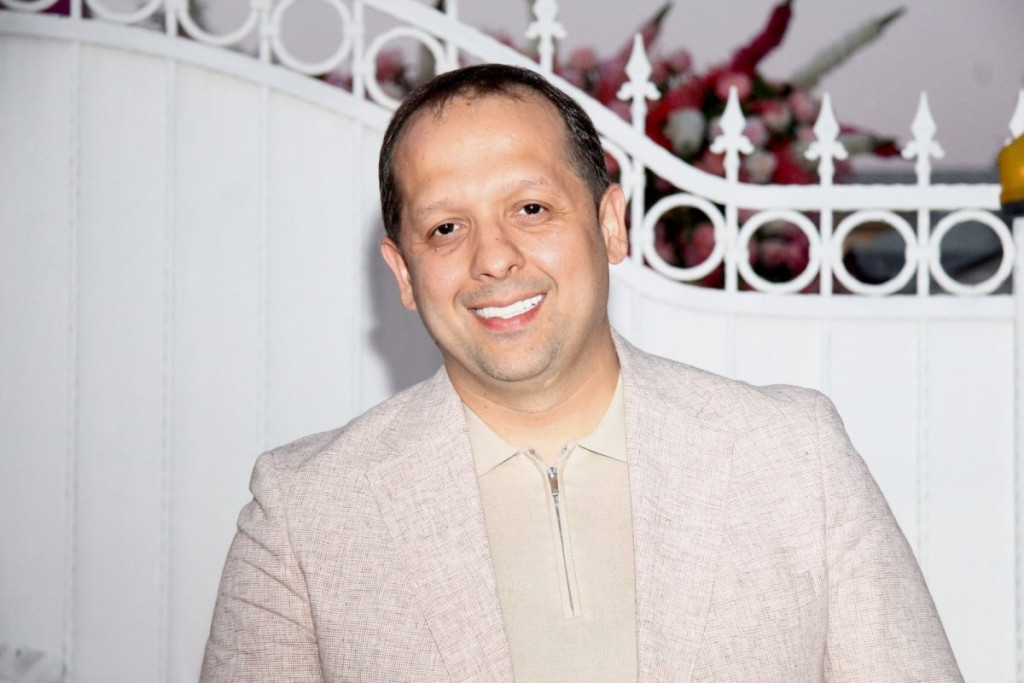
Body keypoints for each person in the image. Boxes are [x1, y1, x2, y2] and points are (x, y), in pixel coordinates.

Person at [201, 64, 962, 682]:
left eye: (531, 209)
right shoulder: (305, 514)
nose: (493, 258)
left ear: (610, 224)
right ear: (403, 273)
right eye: (446, 227)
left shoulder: (794, 458)